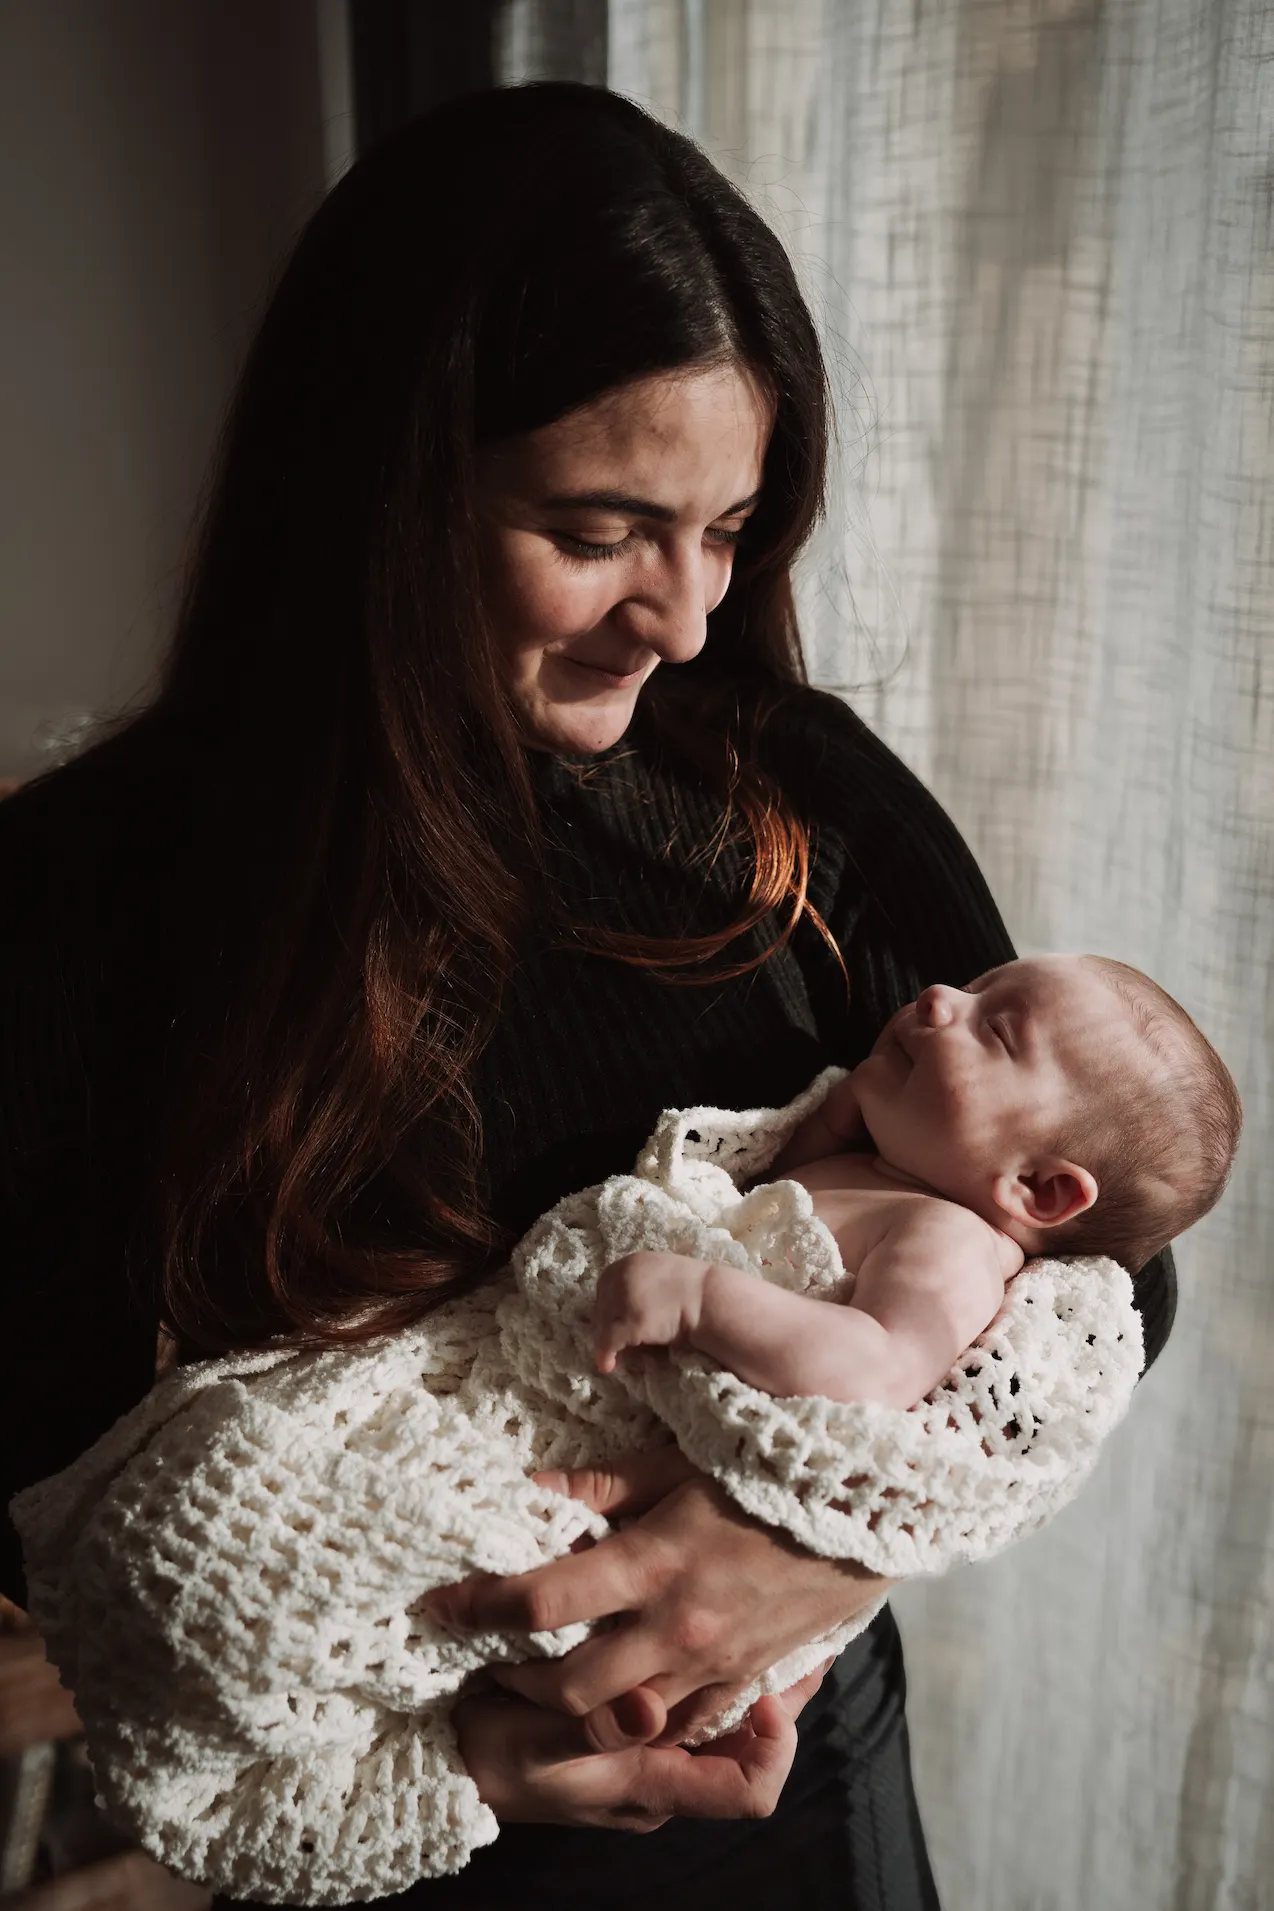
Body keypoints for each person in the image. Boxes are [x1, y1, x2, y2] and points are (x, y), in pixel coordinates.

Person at [0, 83, 1178, 1910]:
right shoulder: (86, 896)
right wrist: (457, 1758)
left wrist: (812, 1551)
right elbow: (44, 1485)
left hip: (794, 1777)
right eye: (600, 529)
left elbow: (1111, 1258)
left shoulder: (796, 799)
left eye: (727, 527)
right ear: (380, 488)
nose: (688, 619)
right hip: (398, 1818)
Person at [594, 955, 1239, 1410]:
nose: (938, 995)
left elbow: (877, 1367)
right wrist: (825, 1131)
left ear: (1039, 1188)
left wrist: (703, 1300)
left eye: (995, 1028)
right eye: (972, 987)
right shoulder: (890, 1175)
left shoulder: (951, 1244)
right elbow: (770, 1214)